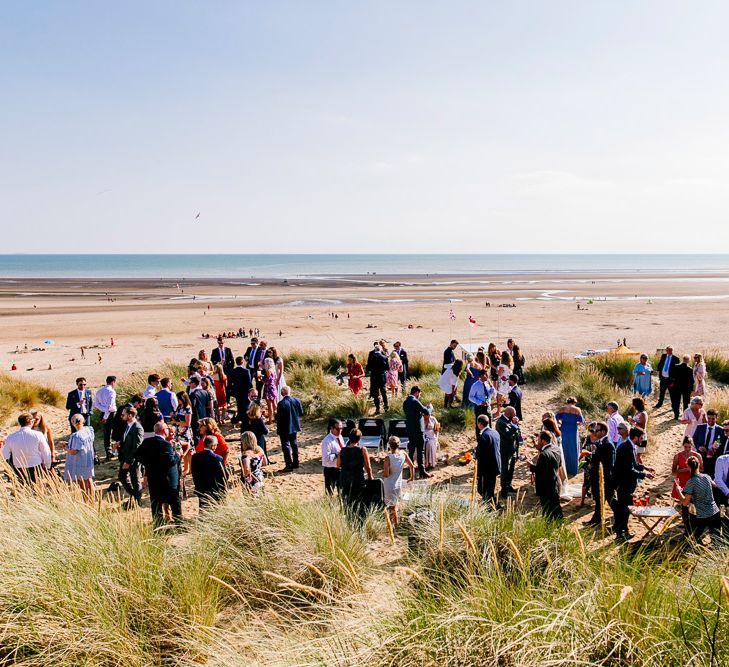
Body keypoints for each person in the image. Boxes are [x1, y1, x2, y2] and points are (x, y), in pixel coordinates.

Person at [611, 426, 655, 540]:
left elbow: (634, 465)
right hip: (624, 483)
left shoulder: (630, 446)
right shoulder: (626, 448)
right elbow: (629, 470)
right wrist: (644, 475)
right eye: (641, 438)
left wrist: (645, 468)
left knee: (625, 508)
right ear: (635, 437)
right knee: (624, 509)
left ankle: (621, 530)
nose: (642, 440)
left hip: (626, 483)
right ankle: (622, 532)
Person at [134, 422, 182, 524]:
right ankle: (179, 524)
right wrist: (178, 455)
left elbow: (137, 455)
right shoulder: (166, 445)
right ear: (165, 431)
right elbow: (170, 461)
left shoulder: (147, 442)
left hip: (153, 477)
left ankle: (158, 525)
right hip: (168, 479)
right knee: (174, 502)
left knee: (156, 503)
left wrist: (149, 464)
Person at [675, 456, 721, 540]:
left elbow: (685, 502)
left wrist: (678, 490)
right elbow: (715, 485)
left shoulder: (691, 482)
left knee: (695, 540)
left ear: (688, 467)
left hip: (701, 516)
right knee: (717, 541)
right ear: (698, 465)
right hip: (714, 512)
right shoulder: (707, 476)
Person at [1, 412, 52, 484]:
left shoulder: (11, 436)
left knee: (23, 490)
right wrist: (47, 465)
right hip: (36, 466)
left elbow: (5, 454)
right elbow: (45, 451)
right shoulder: (38, 435)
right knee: (37, 489)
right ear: (31, 421)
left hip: (19, 467)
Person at [529, 431, 563, 520]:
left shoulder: (543, 454)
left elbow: (540, 471)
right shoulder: (556, 449)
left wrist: (531, 466)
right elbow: (559, 465)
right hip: (555, 482)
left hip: (546, 486)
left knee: (547, 510)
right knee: (556, 507)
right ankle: (559, 524)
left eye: (539, 439)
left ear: (543, 441)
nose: (537, 440)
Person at [337, 429, 373, 515]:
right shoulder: (362, 449)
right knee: (359, 501)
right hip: (357, 478)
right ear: (359, 438)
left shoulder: (342, 450)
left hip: (345, 478)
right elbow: (368, 466)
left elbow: (338, 465)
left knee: (347, 501)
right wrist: (370, 476)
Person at [587, 422, 615, 527]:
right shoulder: (601, 442)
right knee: (600, 500)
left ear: (603, 431)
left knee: (611, 500)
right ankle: (596, 520)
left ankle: (620, 519)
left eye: (597, 430)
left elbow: (608, 464)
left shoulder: (607, 444)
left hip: (605, 478)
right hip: (599, 476)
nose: (595, 432)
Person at [382, 436, 415, 528]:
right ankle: (394, 525)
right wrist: (411, 477)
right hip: (398, 483)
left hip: (389, 484)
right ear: (399, 444)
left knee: (390, 507)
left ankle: (393, 526)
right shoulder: (403, 454)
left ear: (389, 445)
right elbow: (412, 466)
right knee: (394, 506)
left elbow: (386, 474)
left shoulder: (388, 458)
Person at [63, 414, 96, 499]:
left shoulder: (77, 436)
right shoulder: (88, 430)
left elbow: (73, 451)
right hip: (88, 458)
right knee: (89, 480)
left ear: (72, 423)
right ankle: (92, 500)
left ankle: (87, 500)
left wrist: (65, 447)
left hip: (80, 461)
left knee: (82, 482)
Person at [191, 434, 227, 509]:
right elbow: (223, 475)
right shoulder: (217, 458)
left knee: (203, 509)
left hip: (201, 488)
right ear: (212, 446)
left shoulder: (195, 457)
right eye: (216, 445)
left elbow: (194, 474)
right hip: (215, 489)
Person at [403, 385, 431, 479]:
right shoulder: (414, 401)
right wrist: (429, 408)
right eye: (419, 394)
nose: (419, 396)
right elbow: (425, 411)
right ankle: (422, 471)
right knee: (420, 451)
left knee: (411, 450)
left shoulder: (405, 402)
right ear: (417, 392)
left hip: (410, 429)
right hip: (418, 430)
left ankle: (411, 471)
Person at [117, 406, 144, 504]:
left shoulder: (137, 428)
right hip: (125, 456)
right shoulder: (128, 425)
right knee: (122, 477)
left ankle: (137, 500)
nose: (122, 416)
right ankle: (134, 495)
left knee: (135, 480)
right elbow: (126, 439)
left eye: (123, 414)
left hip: (133, 459)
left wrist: (128, 461)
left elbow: (137, 447)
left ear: (130, 415)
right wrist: (119, 443)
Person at [475, 414, 501, 506]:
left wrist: (478, 474)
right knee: (490, 488)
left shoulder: (483, 436)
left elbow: (481, 457)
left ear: (480, 424)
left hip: (487, 468)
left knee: (483, 490)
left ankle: (492, 506)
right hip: (495, 465)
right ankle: (494, 504)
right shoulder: (495, 433)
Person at [276, 386, 303, 472]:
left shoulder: (281, 403)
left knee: (286, 446)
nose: (280, 392)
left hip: (284, 427)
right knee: (294, 444)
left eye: (281, 391)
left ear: (284, 392)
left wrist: (275, 416)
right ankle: (296, 462)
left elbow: (279, 417)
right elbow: (301, 413)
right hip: (294, 426)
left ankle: (289, 465)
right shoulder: (296, 400)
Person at [496, 406, 521, 499]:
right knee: (505, 470)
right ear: (509, 413)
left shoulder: (511, 420)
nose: (515, 416)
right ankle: (504, 490)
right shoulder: (500, 422)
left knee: (511, 470)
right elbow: (507, 434)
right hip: (505, 450)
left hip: (513, 449)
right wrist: (514, 424)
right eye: (514, 414)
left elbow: (516, 433)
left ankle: (509, 485)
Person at [555, 397, 584, 477]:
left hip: (564, 428)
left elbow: (555, 418)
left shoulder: (563, 408)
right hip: (573, 429)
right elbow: (581, 421)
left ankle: (563, 468)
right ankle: (572, 469)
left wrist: (560, 422)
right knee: (573, 447)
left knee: (563, 446)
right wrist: (576, 424)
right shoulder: (577, 409)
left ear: (567, 401)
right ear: (574, 402)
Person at [672, 436, 702, 510]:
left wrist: (692, 470)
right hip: (681, 480)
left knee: (692, 502)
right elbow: (673, 471)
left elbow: (702, 469)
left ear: (692, 446)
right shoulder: (677, 456)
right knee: (680, 503)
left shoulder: (697, 456)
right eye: (686, 447)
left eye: (689, 447)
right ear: (683, 446)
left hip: (692, 479)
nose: (687, 449)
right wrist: (685, 470)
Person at [94, 375, 117, 461]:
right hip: (111, 414)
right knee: (115, 433)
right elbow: (110, 406)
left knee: (107, 434)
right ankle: (114, 451)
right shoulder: (111, 391)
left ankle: (108, 452)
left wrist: (103, 411)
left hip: (103, 413)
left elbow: (96, 404)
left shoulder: (99, 391)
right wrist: (106, 416)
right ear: (113, 382)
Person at [693, 409, 722, 477]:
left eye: (713, 419)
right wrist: (698, 447)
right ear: (706, 417)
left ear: (716, 418)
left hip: (713, 457)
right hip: (700, 456)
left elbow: (722, 443)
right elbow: (694, 439)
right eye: (709, 418)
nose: (710, 420)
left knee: (710, 476)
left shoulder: (721, 430)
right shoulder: (700, 427)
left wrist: (715, 449)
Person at [321, 419, 344, 495]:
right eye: (337, 429)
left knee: (341, 492)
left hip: (340, 468)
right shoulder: (326, 441)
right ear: (331, 428)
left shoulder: (340, 437)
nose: (340, 431)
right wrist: (338, 454)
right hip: (330, 470)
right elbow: (326, 458)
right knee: (329, 494)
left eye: (341, 428)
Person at [240, 431, 267, 496]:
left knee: (250, 499)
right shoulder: (259, 450)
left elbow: (246, 469)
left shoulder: (246, 454)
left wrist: (247, 475)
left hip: (251, 479)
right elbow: (265, 463)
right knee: (261, 497)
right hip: (260, 476)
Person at [365, 343, 389, 414]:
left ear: (375, 350)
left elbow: (368, 368)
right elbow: (387, 368)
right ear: (381, 350)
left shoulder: (371, 357)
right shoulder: (384, 357)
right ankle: (386, 406)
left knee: (376, 394)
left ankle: (378, 409)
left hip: (374, 377)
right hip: (382, 377)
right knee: (383, 392)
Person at [626, 397, 648, 463]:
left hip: (640, 437)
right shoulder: (638, 412)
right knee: (634, 455)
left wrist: (632, 421)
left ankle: (642, 470)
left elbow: (642, 427)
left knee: (637, 456)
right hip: (635, 436)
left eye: (634, 404)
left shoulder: (643, 414)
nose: (633, 406)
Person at [495, 352, 513, 416]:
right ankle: (507, 410)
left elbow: (499, 374)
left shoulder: (502, 365)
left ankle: (498, 411)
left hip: (503, 383)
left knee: (498, 397)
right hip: (508, 383)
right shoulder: (510, 365)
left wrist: (497, 370)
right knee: (506, 397)